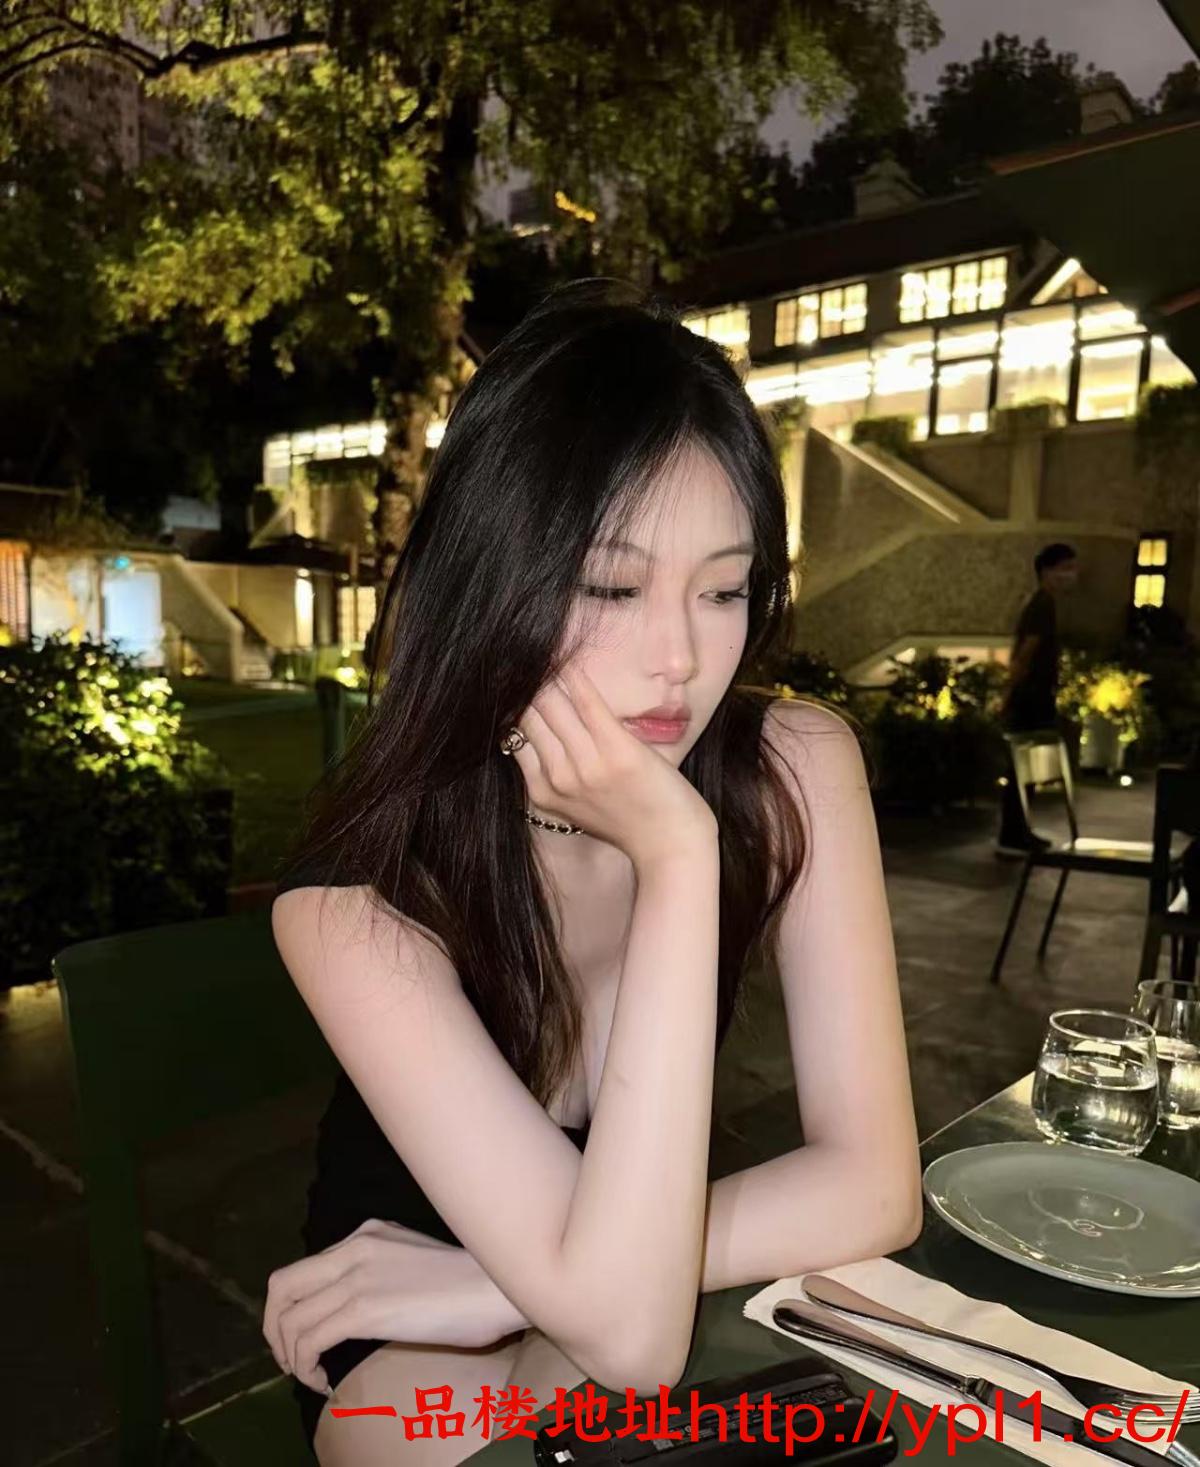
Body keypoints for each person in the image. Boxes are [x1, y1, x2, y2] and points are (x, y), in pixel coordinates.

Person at [263, 278, 923, 1466]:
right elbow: (633, 1341)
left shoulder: (797, 766)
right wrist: (676, 855)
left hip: (495, 1277)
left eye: (723, 590)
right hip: (398, 1326)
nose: (678, 657)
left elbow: (878, 1187)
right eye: (611, 586)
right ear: (490, 581)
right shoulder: (355, 898)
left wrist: (494, 1287)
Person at [996, 542, 1079, 857]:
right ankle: (1014, 832)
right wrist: (1009, 693)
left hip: (1032, 696)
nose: (1071, 575)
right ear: (1047, 571)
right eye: (1065, 568)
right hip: (1031, 699)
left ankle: (1017, 830)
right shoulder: (1042, 605)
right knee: (1022, 768)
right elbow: (1026, 653)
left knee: (1024, 767)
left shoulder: (1043, 604)